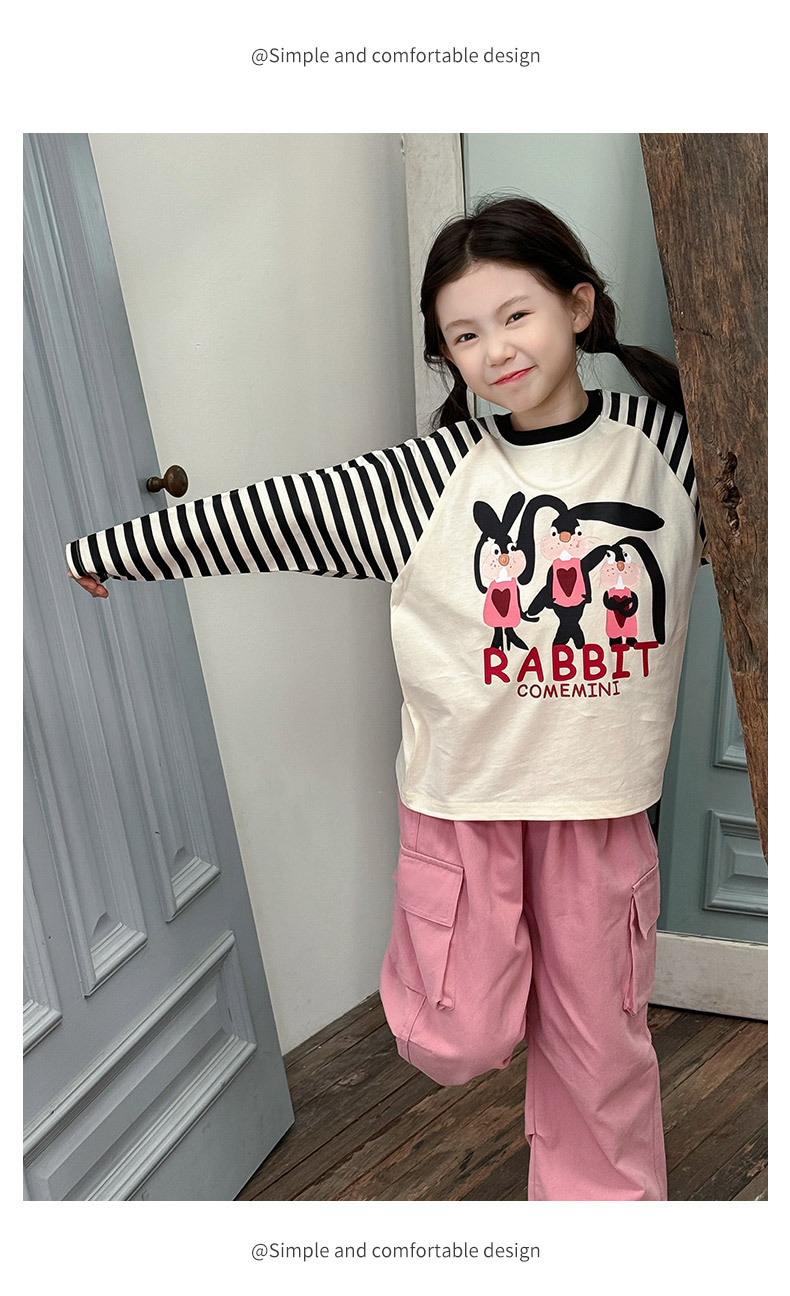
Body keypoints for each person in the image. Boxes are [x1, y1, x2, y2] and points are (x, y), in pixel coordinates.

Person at [66, 194, 709, 1201]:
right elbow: (268, 518)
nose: (496, 348)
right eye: (465, 333)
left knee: (601, 1049)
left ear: (578, 306)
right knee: (458, 1035)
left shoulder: (669, 449)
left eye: (517, 314)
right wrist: (111, 551)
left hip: (599, 805)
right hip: (464, 803)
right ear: (445, 353)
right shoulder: (429, 478)